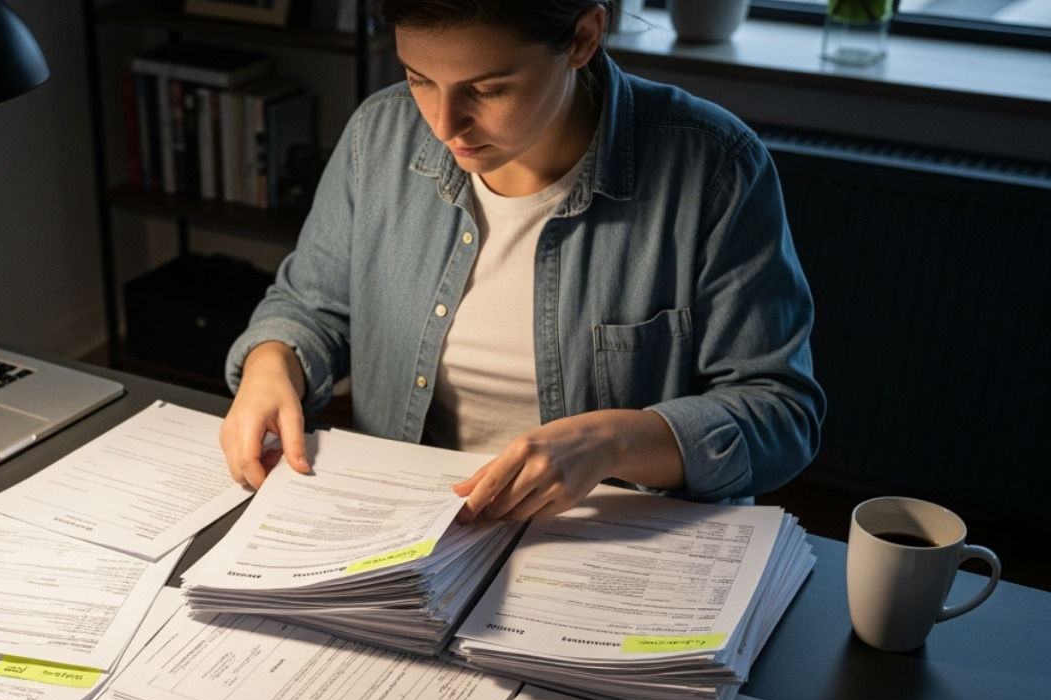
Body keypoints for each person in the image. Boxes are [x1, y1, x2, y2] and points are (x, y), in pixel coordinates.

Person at [219, 0, 824, 523]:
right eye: (418, 77)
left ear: (584, 37)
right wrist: (272, 367)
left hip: (610, 541)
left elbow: (779, 412)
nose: (441, 124)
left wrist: (612, 443)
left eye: (488, 89)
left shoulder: (714, 168)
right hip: (409, 525)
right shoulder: (379, 137)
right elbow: (309, 307)